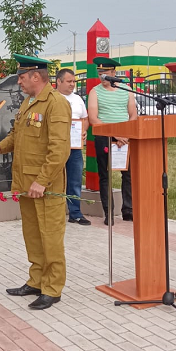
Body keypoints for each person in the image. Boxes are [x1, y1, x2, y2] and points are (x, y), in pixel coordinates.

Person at [0, 54, 71, 310]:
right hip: (26, 185)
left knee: (50, 237)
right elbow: (16, 136)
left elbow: (59, 149)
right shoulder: (29, 102)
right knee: (33, 236)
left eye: (22, 77)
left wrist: (43, 181)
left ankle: (52, 288)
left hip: (45, 187)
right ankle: (36, 281)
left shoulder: (55, 103)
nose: (19, 81)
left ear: (36, 76)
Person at [87, 57, 138, 225]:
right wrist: (116, 135)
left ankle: (128, 210)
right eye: (100, 72)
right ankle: (108, 212)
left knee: (128, 175)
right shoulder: (95, 92)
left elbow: (133, 114)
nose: (102, 76)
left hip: (126, 138)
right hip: (105, 138)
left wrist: (127, 134)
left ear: (114, 73)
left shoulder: (127, 89)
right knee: (105, 176)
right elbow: (94, 118)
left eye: (105, 72)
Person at [55, 68, 90, 225]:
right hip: (56, 146)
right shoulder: (52, 98)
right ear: (59, 81)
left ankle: (75, 213)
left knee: (75, 180)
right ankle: (55, 212)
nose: (72, 84)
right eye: (69, 81)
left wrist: (83, 131)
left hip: (74, 147)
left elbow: (85, 119)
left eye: (74, 81)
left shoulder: (78, 99)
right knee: (54, 179)